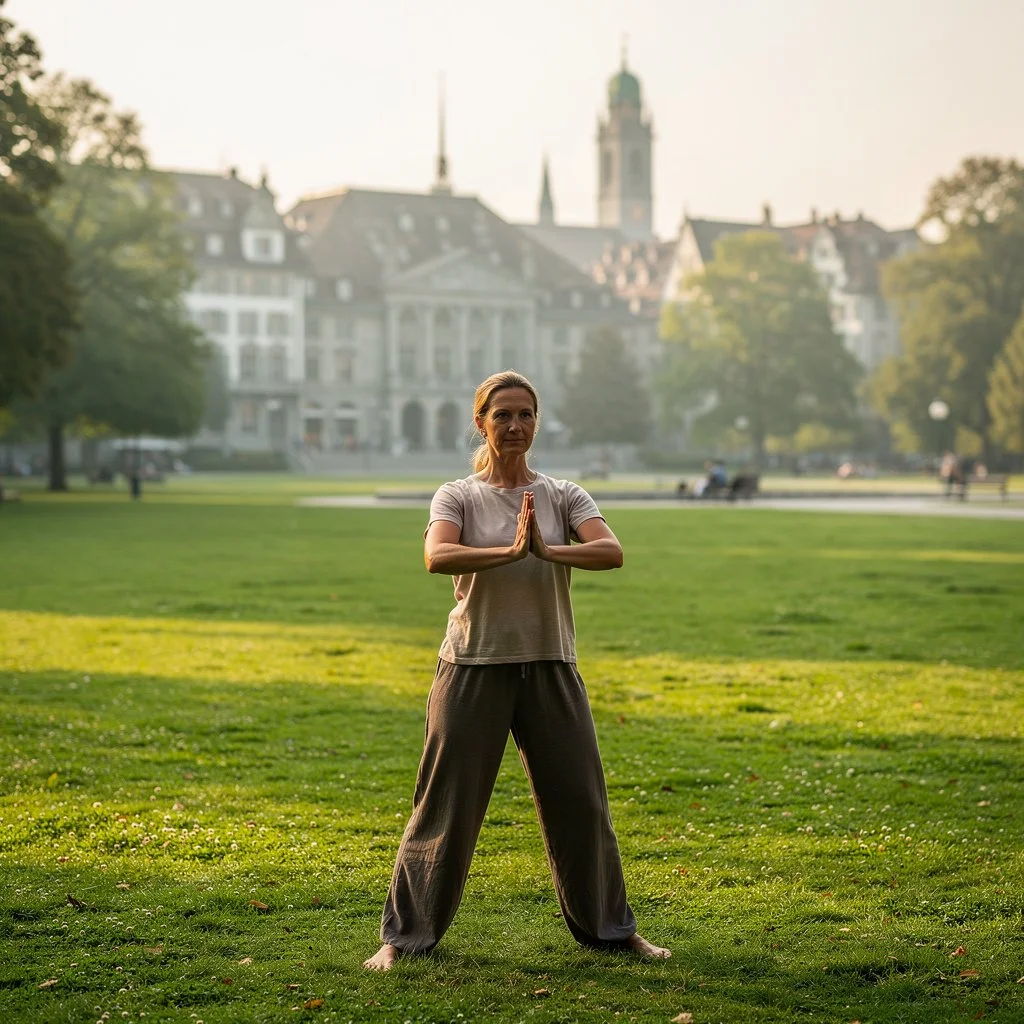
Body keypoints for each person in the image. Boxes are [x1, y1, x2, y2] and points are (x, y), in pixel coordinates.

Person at [364, 370, 671, 971]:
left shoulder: (563, 495)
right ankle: (403, 939)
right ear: (481, 422)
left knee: (582, 805)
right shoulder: (457, 496)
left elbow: (610, 550)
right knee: (444, 806)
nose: (515, 425)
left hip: (551, 665)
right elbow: (437, 555)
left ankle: (612, 929)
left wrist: (548, 549)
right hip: (473, 666)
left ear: (538, 421)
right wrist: (508, 552)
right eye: (502, 414)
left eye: (525, 414)